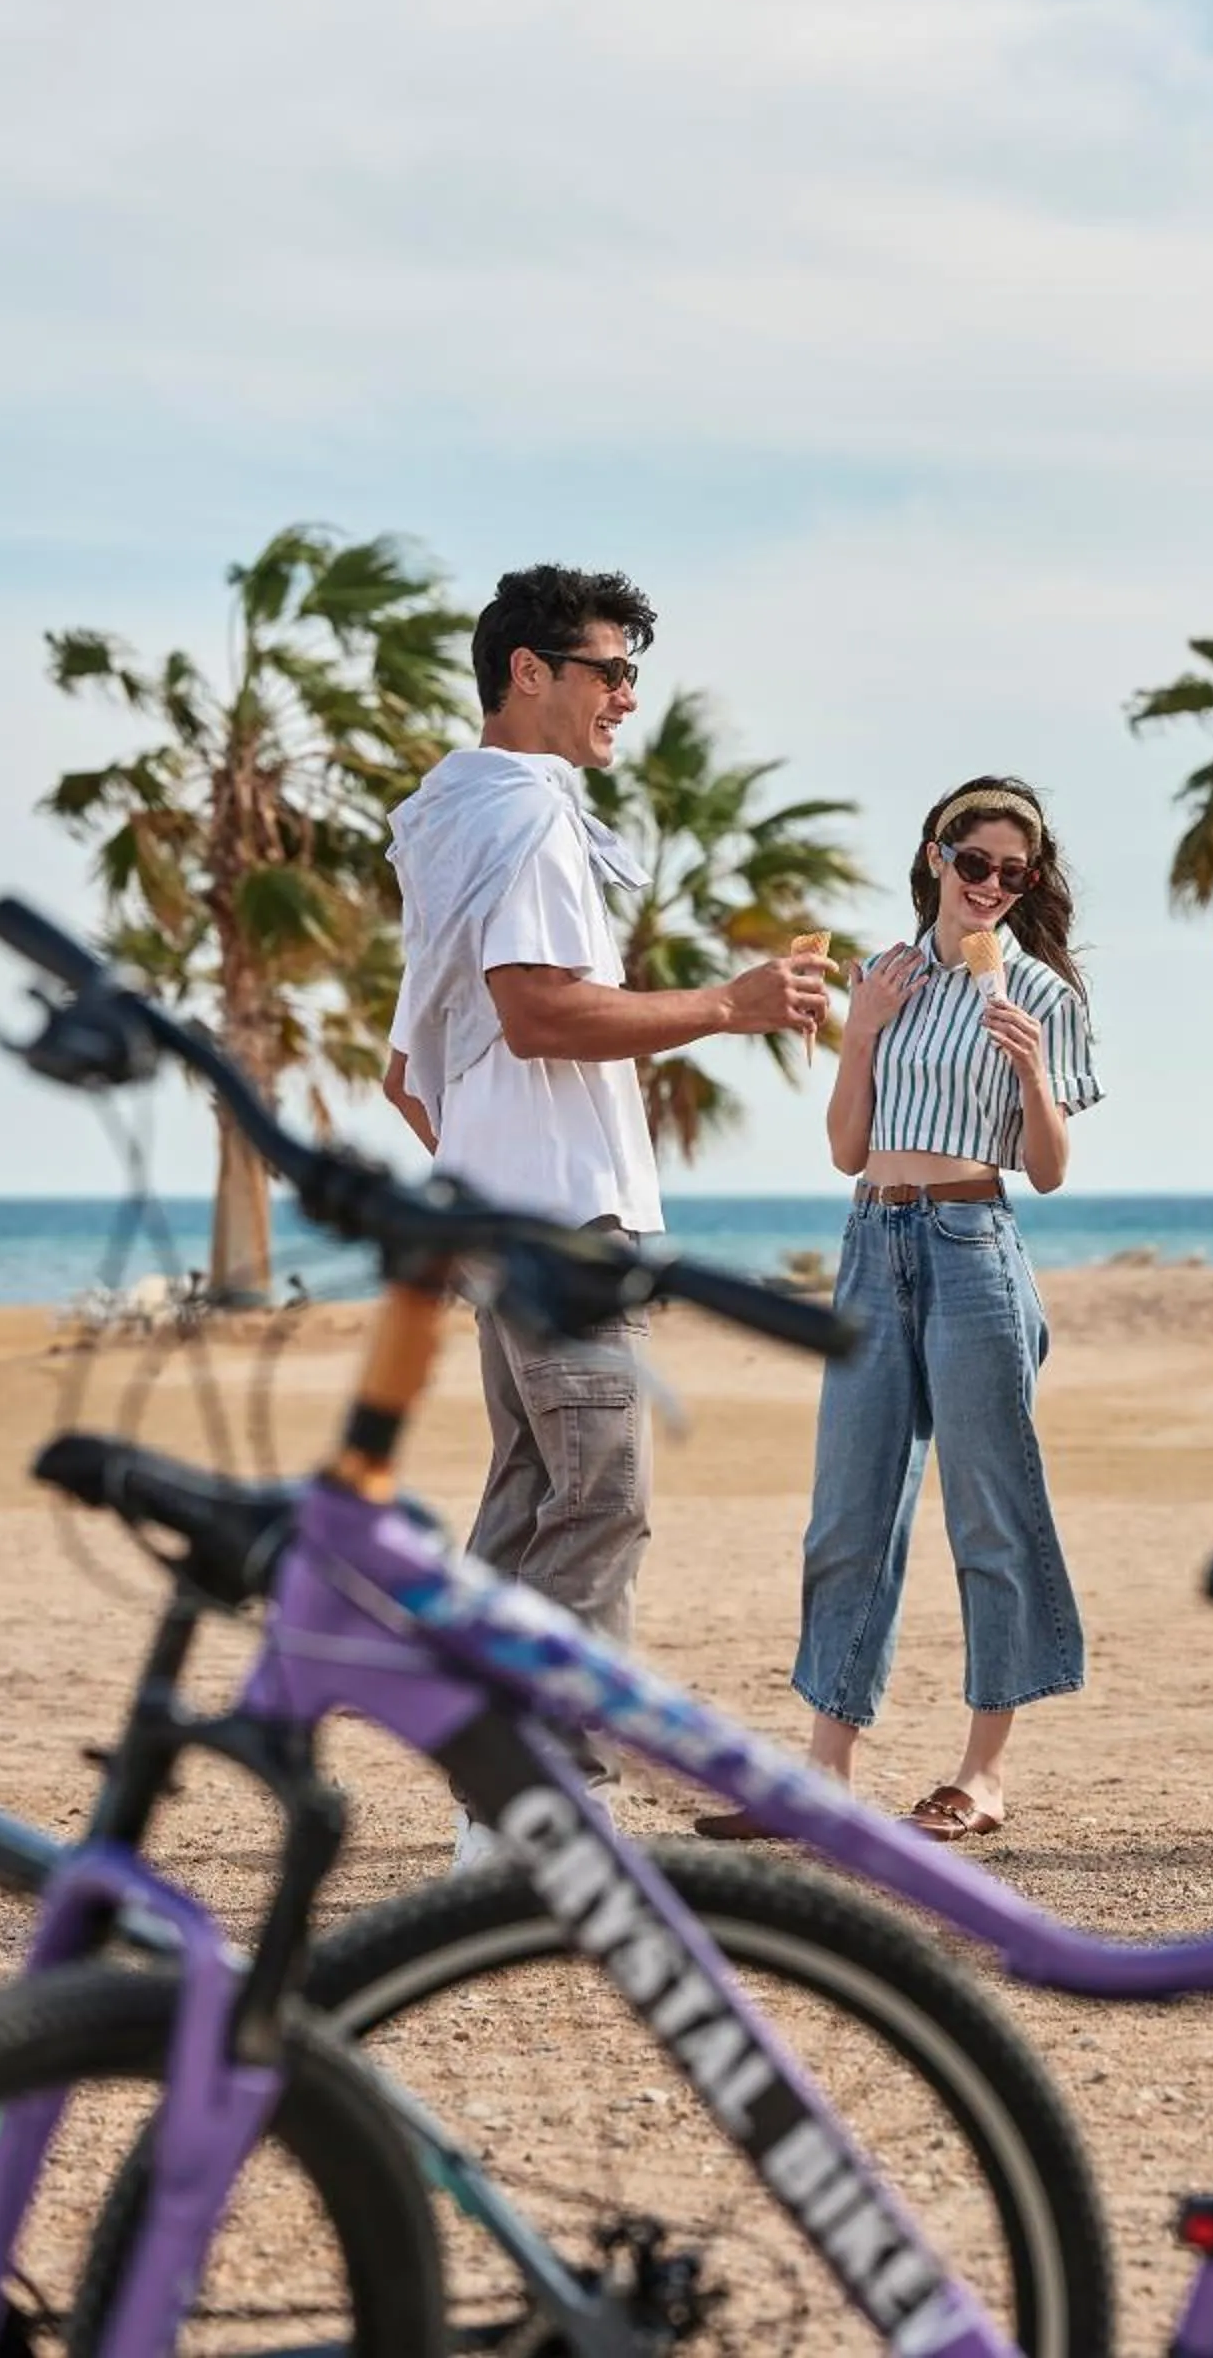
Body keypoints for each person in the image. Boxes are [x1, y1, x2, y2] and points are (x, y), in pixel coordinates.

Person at [383, 563, 828, 1856]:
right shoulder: (525, 815)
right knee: (598, 1499)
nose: (628, 696)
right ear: (529, 672)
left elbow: (413, 1068)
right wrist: (729, 1006)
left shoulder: (453, 816)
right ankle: (544, 1807)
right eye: (609, 671)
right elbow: (538, 1011)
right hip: (565, 1230)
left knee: (532, 1502)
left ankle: (492, 1812)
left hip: (508, 1221)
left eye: (635, 673)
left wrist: (488, 1178)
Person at [701, 775, 1098, 1848]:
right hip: (873, 1244)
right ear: (935, 857)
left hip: (973, 1246)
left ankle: (983, 1773)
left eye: (1014, 874)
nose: (992, 887)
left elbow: (1049, 1170)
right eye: (975, 864)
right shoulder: (884, 978)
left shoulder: (1044, 996)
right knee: (849, 1516)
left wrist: (1033, 1076)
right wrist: (863, 1029)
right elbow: (845, 1149)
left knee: (990, 1513)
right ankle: (825, 1777)